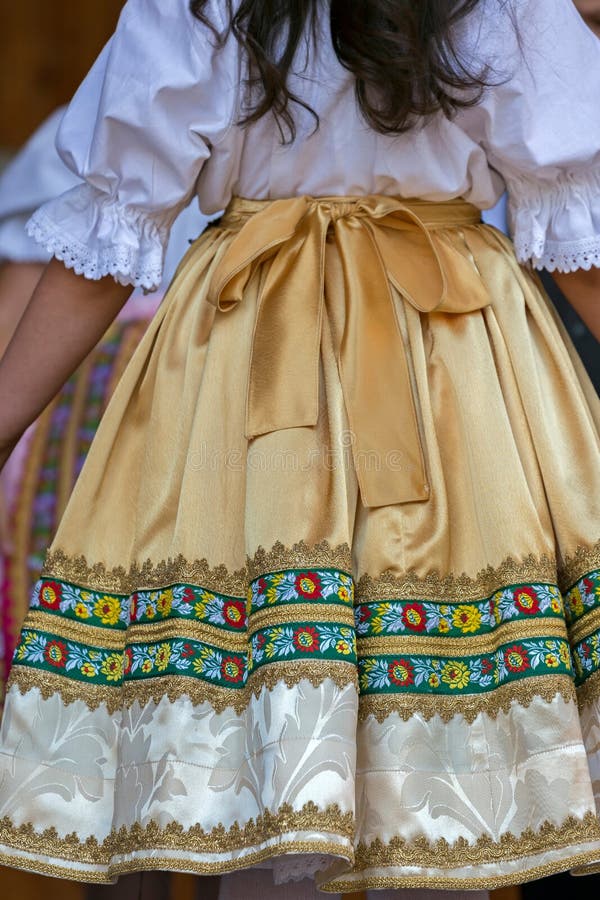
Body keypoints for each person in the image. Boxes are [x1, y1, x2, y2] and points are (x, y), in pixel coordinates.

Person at [0, 0, 598, 897]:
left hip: (248, 348)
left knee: (259, 715)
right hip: (450, 351)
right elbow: (579, 215)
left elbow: (110, 228)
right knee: (439, 751)